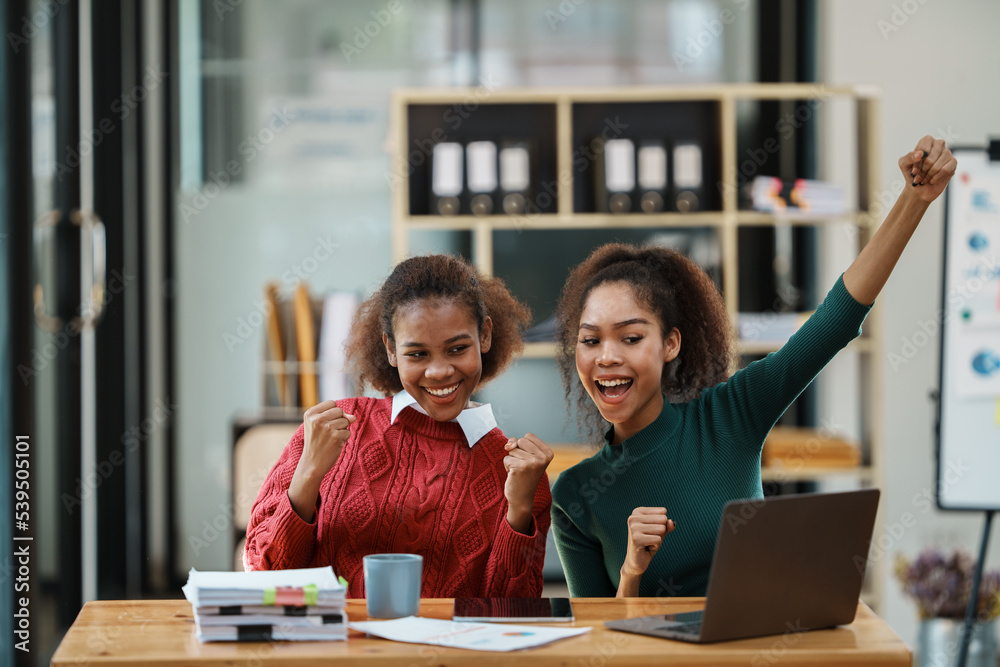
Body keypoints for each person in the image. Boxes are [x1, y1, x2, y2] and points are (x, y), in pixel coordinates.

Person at [548, 137, 956, 597]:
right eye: (590, 339)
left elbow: (834, 322)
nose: (606, 356)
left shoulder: (730, 417)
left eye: (631, 337)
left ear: (670, 344)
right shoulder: (574, 496)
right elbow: (603, 652)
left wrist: (913, 201)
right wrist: (631, 574)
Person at [244, 254, 554, 598]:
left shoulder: (518, 472)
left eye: (457, 348)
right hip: (329, 649)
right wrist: (307, 476)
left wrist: (520, 510)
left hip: (443, 652)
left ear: (485, 336)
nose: (439, 371)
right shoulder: (333, 430)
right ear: (391, 349)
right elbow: (262, 575)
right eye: (418, 354)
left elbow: (511, 614)